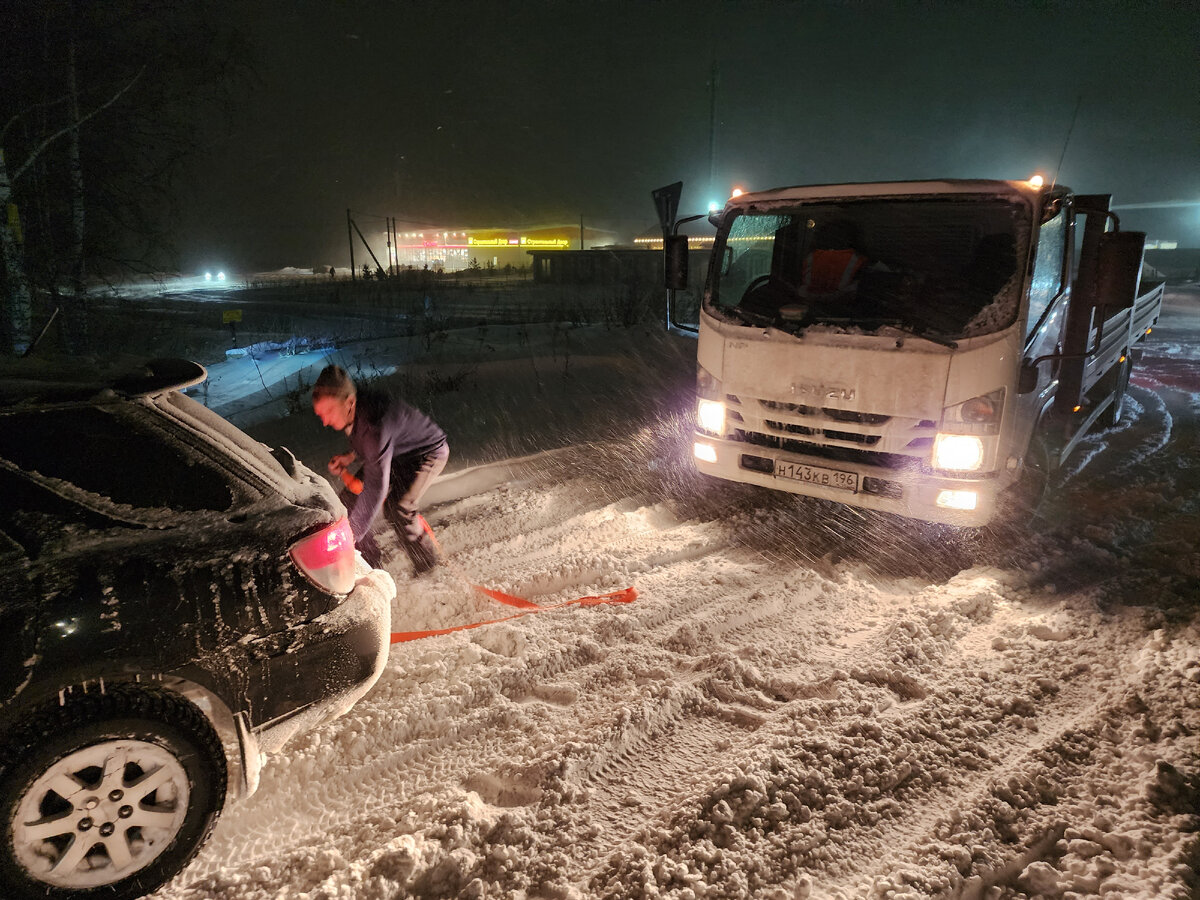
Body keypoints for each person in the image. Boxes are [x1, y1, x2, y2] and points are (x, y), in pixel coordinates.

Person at [311, 365, 449, 574]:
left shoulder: (374, 425)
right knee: (347, 502)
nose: (325, 421)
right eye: (320, 414)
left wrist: (351, 536)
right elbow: (367, 441)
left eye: (329, 411)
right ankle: (370, 566)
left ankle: (428, 567)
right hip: (394, 454)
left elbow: (376, 487)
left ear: (349, 402)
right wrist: (350, 456)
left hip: (427, 453)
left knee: (398, 508)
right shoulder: (355, 409)